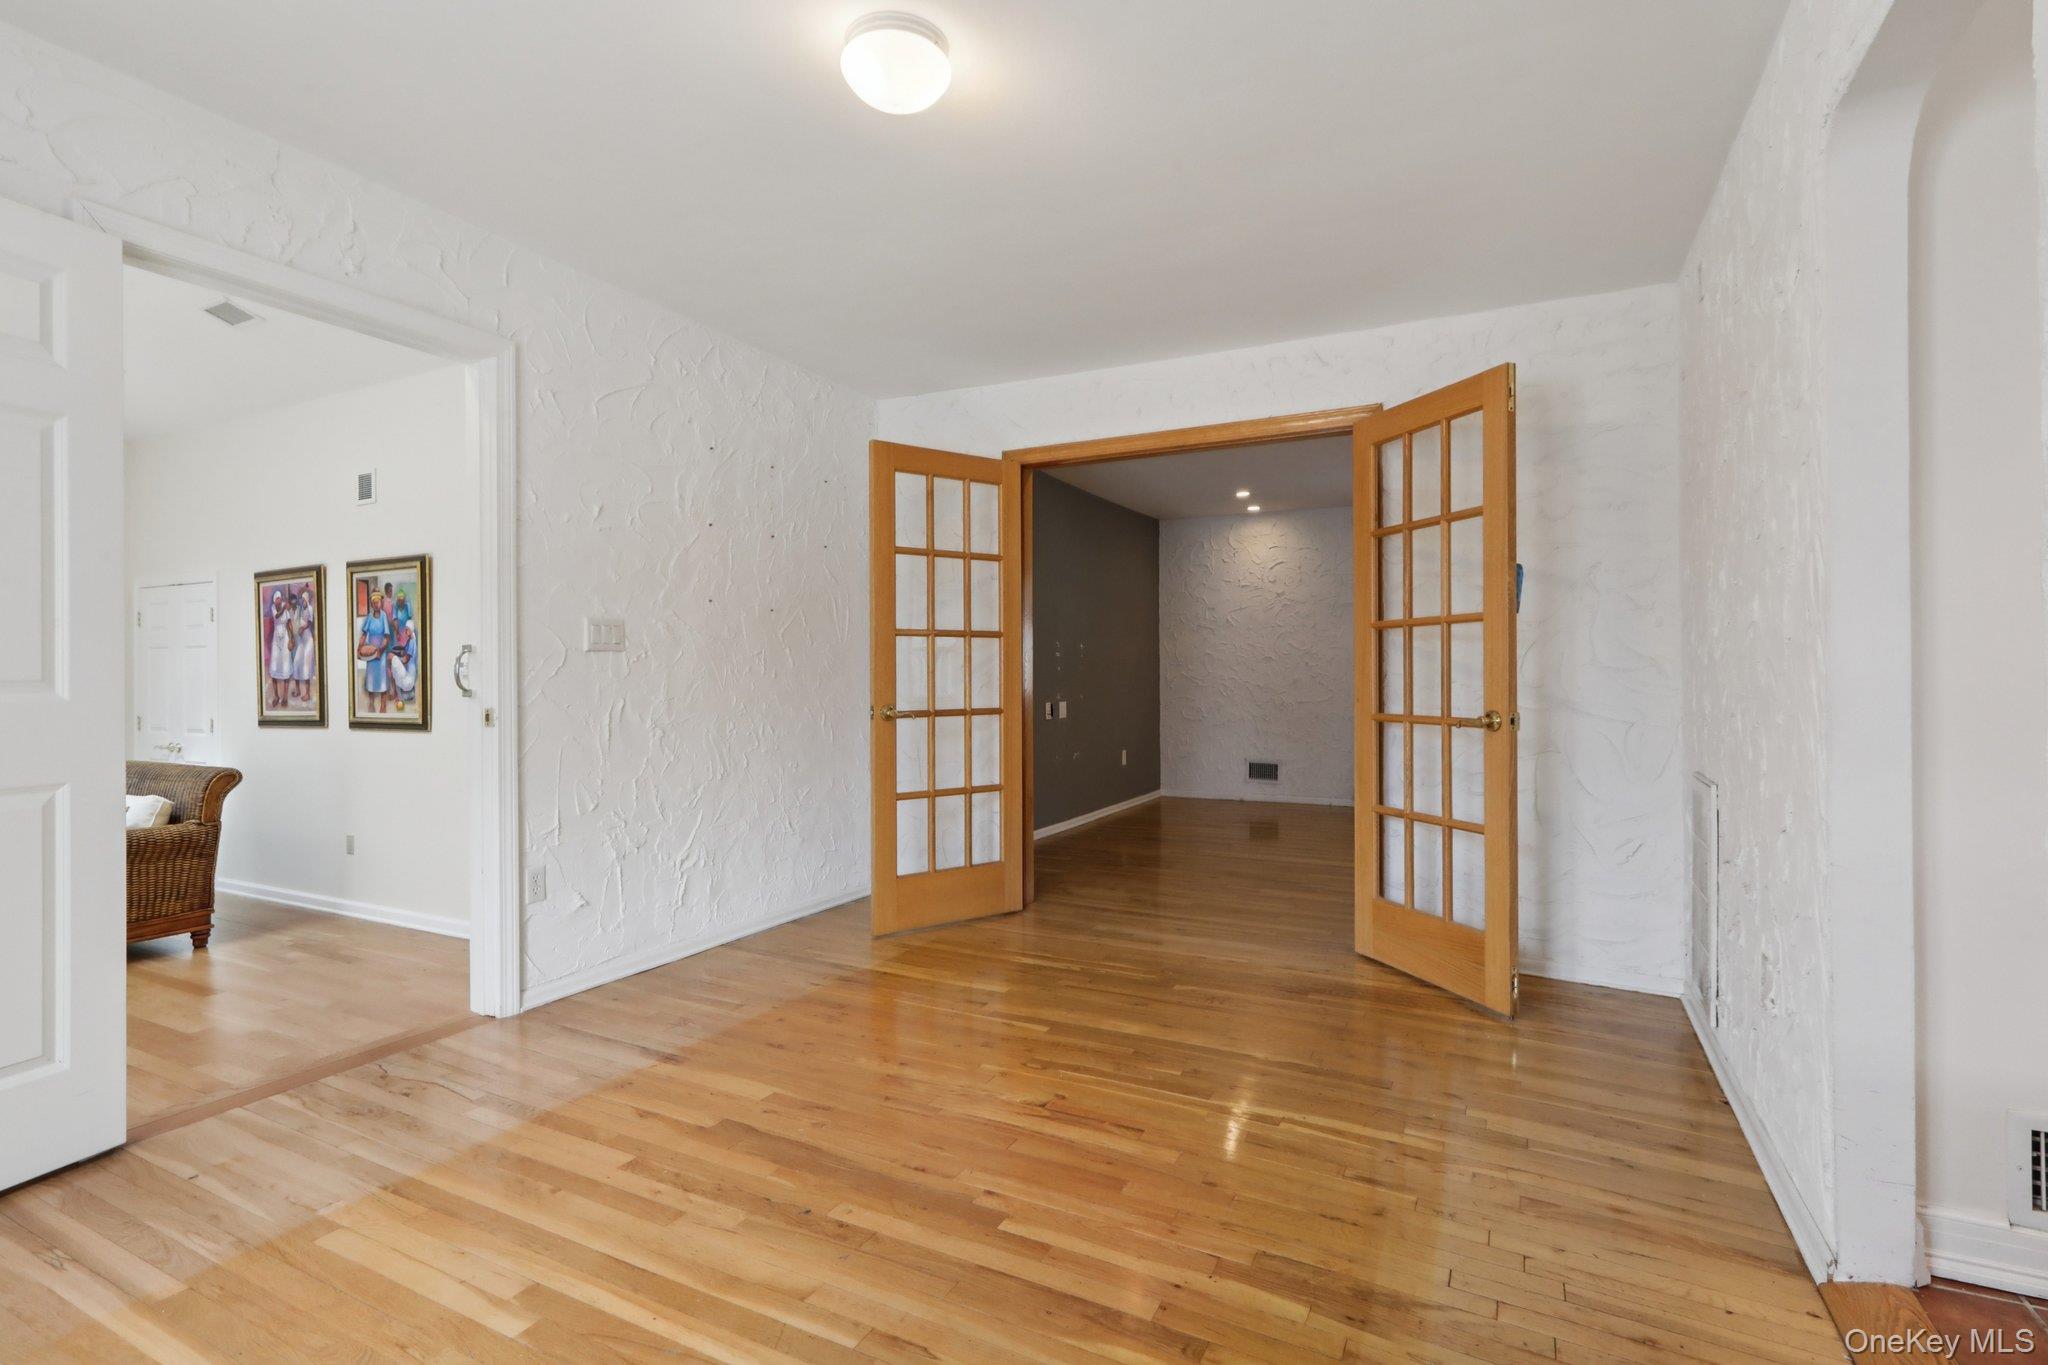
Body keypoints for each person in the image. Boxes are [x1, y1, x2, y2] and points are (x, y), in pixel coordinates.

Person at [357, 588, 391, 713]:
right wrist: (359, 648)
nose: (376, 604)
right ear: (371, 604)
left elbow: (387, 637)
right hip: (371, 652)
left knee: (382, 678)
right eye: (374, 602)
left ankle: (383, 704)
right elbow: (363, 635)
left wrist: (380, 650)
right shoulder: (369, 618)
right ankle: (371, 703)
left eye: (378, 602)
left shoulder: (383, 616)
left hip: (381, 651)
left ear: (381, 602)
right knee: (370, 678)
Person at [266, 589, 294, 711]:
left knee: (286, 666)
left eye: (280, 598)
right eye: (278, 598)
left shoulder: (284, 607)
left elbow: (288, 623)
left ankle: (285, 697)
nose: (280, 599)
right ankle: (276, 696)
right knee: (274, 667)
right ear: (274, 600)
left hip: (285, 639)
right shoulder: (274, 607)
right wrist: (285, 608)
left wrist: (292, 638)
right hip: (276, 640)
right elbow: (277, 616)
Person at [290, 586, 317, 703]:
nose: (302, 601)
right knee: (296, 664)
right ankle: (297, 690)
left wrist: (302, 628)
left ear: (307, 599)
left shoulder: (310, 609)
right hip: (301, 641)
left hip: (308, 641)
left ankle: (307, 694)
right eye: (301, 599)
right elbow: (295, 621)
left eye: (304, 600)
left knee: (306, 667)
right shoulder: (300, 609)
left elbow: (310, 623)